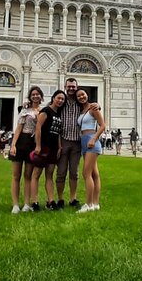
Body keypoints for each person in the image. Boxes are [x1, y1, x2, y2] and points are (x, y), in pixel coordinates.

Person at [56, 78, 98, 209]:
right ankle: (60, 199)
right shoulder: (61, 102)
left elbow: (91, 109)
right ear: (65, 87)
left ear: (77, 87)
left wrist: (97, 105)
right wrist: (26, 104)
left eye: (73, 87)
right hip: (63, 141)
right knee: (61, 172)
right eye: (69, 86)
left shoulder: (81, 104)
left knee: (74, 172)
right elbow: (49, 108)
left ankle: (73, 198)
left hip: (77, 143)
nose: (71, 89)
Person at [9, 86, 42, 214]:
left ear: (41, 96)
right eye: (33, 94)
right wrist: (13, 145)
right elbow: (18, 128)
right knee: (16, 175)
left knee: (28, 175)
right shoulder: (25, 110)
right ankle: (16, 205)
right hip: (21, 141)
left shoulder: (43, 111)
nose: (35, 96)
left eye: (37, 94)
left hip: (32, 144)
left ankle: (27, 204)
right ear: (30, 96)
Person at [30, 90, 65, 211]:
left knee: (49, 174)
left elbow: (58, 132)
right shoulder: (46, 111)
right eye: (58, 98)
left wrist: (59, 146)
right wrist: (38, 145)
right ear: (53, 98)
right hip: (43, 146)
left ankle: (50, 201)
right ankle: (34, 202)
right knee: (36, 174)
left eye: (62, 99)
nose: (60, 101)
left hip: (54, 147)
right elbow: (38, 127)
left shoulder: (59, 113)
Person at [75, 88, 106, 213]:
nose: (81, 97)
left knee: (86, 174)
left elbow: (103, 125)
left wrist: (94, 138)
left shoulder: (94, 108)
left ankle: (88, 204)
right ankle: (95, 204)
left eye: (83, 94)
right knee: (94, 174)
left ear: (87, 95)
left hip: (91, 141)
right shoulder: (82, 110)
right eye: (78, 96)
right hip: (84, 141)